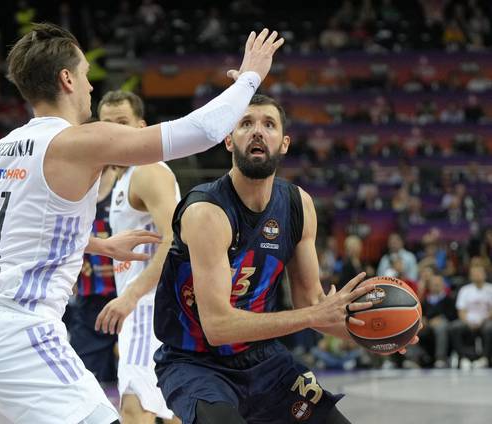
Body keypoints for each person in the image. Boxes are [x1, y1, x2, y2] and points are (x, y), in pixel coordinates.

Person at [0, 23, 285, 424]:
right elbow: (199, 131)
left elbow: (17, 231)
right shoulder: (75, 142)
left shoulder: (2, 149)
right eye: (86, 75)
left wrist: (99, 245)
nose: (90, 86)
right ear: (66, 79)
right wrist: (251, 77)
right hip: (15, 331)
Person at [153, 94, 418, 424]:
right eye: (246, 123)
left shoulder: (297, 205)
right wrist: (311, 314)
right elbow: (218, 327)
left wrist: (375, 335)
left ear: (285, 143)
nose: (257, 132)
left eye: (269, 124)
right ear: (228, 140)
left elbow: (312, 303)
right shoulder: (206, 211)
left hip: (264, 360)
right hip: (196, 364)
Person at [94, 91, 179, 423]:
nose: (114, 132)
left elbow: (176, 239)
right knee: (170, 411)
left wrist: (130, 297)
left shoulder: (147, 172)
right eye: (107, 125)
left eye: (123, 124)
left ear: (142, 128)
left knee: (134, 408)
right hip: (151, 308)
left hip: (149, 306)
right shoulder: (123, 176)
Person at [64, 164, 118, 383]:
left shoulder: (132, 183)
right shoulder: (73, 188)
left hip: (129, 296)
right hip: (90, 301)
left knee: (146, 385)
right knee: (81, 380)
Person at [449, 262, 492, 369]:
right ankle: (463, 358)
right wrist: (468, 321)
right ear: (470, 275)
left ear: (484, 274)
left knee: (489, 328)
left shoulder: (490, 289)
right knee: (454, 327)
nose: (477, 275)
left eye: (479, 273)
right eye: (474, 273)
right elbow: (461, 310)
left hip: (486, 320)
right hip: (468, 321)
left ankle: (485, 358)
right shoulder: (465, 290)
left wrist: (483, 320)